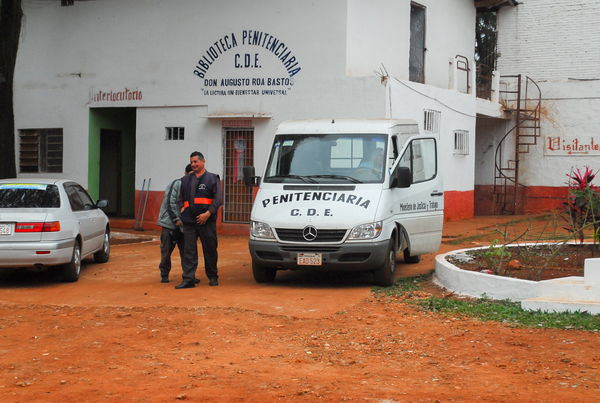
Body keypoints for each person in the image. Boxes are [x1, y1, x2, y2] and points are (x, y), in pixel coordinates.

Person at [176, 151, 223, 289]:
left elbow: (218, 199)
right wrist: (182, 209)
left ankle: (213, 276)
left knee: (210, 249)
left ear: (203, 161)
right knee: (189, 251)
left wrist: (207, 214)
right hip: (190, 221)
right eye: (191, 162)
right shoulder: (185, 180)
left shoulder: (213, 178)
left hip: (207, 221)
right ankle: (188, 279)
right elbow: (180, 198)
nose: (193, 164)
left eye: (196, 161)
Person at [157, 164, 194, 284]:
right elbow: (170, 202)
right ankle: (164, 274)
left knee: (186, 252)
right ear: (185, 174)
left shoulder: (194, 187)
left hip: (185, 225)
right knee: (166, 251)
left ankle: (188, 276)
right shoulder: (176, 184)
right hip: (170, 224)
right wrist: (176, 220)